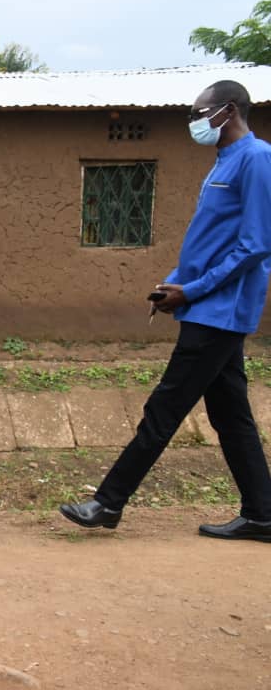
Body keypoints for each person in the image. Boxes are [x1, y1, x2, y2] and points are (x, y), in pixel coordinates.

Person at [60, 80, 271, 542]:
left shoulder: (256, 159)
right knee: (231, 415)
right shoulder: (224, 161)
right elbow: (210, 242)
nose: (194, 122)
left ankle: (108, 503)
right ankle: (262, 514)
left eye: (200, 113)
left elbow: (255, 245)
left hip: (218, 311)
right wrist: (176, 283)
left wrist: (192, 292)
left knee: (164, 409)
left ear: (228, 110)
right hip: (203, 305)